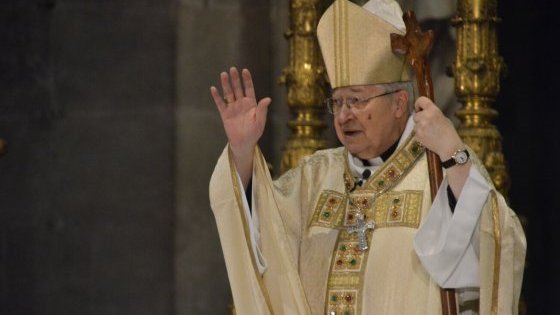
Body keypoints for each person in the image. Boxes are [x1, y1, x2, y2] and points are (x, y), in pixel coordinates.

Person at [208, 0, 526, 314]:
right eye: (338, 102)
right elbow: (262, 245)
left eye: (357, 100)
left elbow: (495, 244)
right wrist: (242, 149)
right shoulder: (314, 177)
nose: (344, 115)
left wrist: (452, 153)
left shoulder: (440, 171)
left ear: (399, 103)